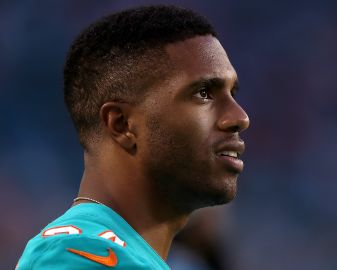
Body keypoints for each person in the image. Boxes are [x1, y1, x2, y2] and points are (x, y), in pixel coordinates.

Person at [17, 5, 249, 269]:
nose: (240, 117)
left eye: (233, 93)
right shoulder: (78, 254)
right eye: (204, 93)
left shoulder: (124, 256)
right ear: (122, 124)